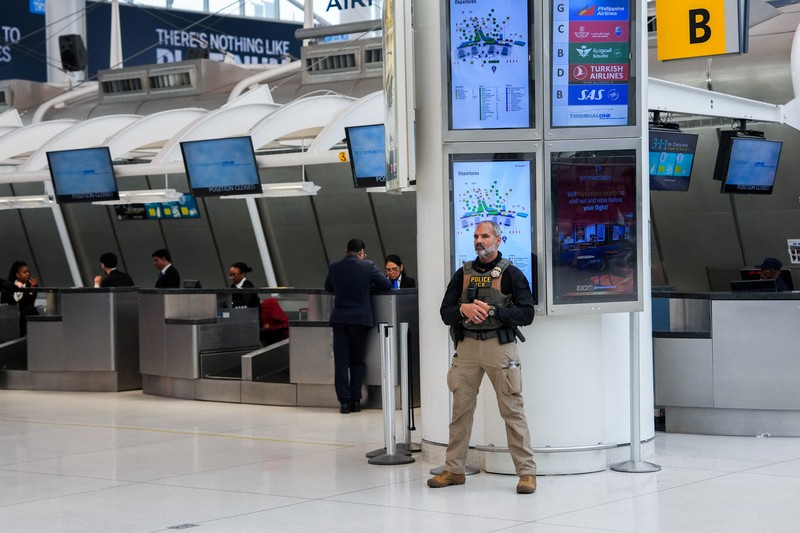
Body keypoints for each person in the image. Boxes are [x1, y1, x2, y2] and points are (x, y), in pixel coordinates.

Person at [428, 220, 537, 494]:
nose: (479, 241)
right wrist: (463, 309)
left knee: (512, 410)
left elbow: (527, 314)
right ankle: (454, 470)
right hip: (466, 348)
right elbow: (445, 313)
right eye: (476, 236)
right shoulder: (462, 274)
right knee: (460, 411)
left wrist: (493, 311)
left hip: (499, 348)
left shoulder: (512, 274)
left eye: (485, 236)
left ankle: (526, 473)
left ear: (498, 240)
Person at [324, 238, 391, 414]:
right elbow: (385, 284)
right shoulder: (368, 266)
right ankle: (355, 401)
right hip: (360, 320)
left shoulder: (335, 267)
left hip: (339, 320)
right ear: (361, 252)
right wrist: (368, 284)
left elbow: (328, 286)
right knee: (357, 361)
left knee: (341, 362)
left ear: (347, 251)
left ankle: (344, 403)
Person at [5, 260, 39, 337]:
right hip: (11, 317)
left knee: (31, 309)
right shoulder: (8, 286)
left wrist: (32, 289)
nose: (28, 274)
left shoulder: (30, 286)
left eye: (28, 272)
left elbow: (30, 303)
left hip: (23, 318)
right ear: (17, 274)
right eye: (25, 272)